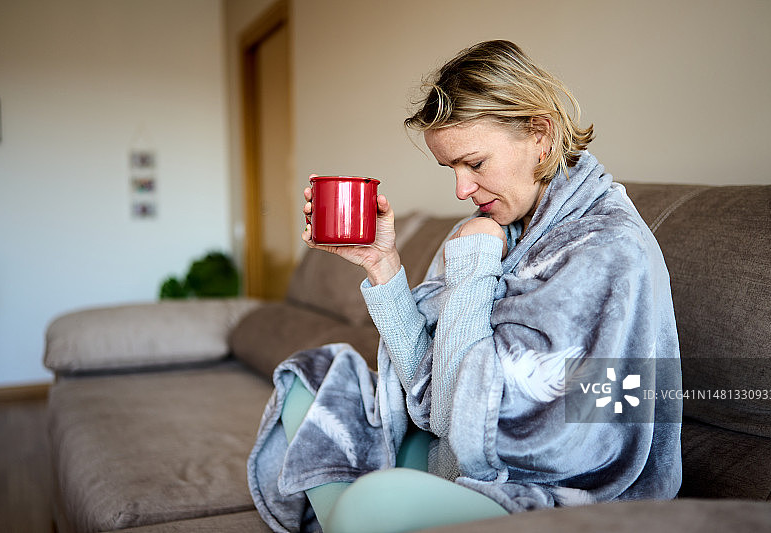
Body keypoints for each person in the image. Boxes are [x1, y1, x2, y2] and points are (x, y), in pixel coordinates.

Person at [247, 39, 682, 533]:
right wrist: (383, 266)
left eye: (474, 163)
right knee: (311, 378)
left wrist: (475, 266)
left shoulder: (606, 248)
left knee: (376, 505)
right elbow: (433, 397)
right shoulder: (491, 229)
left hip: (541, 489)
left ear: (541, 133)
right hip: (450, 457)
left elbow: (487, 424)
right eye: (450, 169)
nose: (461, 190)